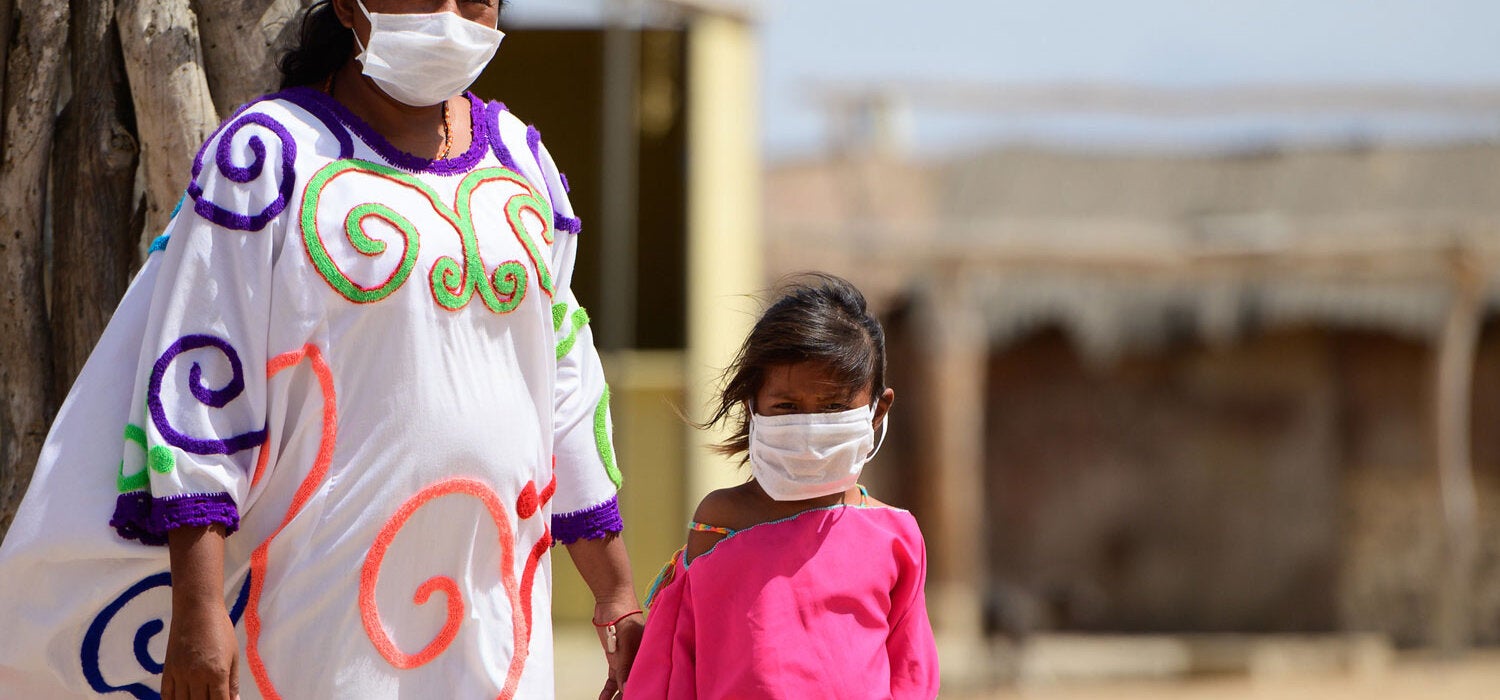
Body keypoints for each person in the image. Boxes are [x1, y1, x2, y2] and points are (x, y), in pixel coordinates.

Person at [0, 0, 642, 697]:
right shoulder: (268, 155)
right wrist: (198, 608)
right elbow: (200, 386)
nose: (452, 14)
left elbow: (566, 387)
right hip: (316, 606)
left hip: (495, 606)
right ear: (346, 4)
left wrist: (616, 591)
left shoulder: (524, 162)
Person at [624, 274, 941, 698]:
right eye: (788, 407)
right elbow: (675, 661)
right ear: (752, 406)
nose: (810, 428)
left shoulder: (896, 538)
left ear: (877, 410)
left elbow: (911, 675)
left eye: (832, 408)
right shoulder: (721, 523)